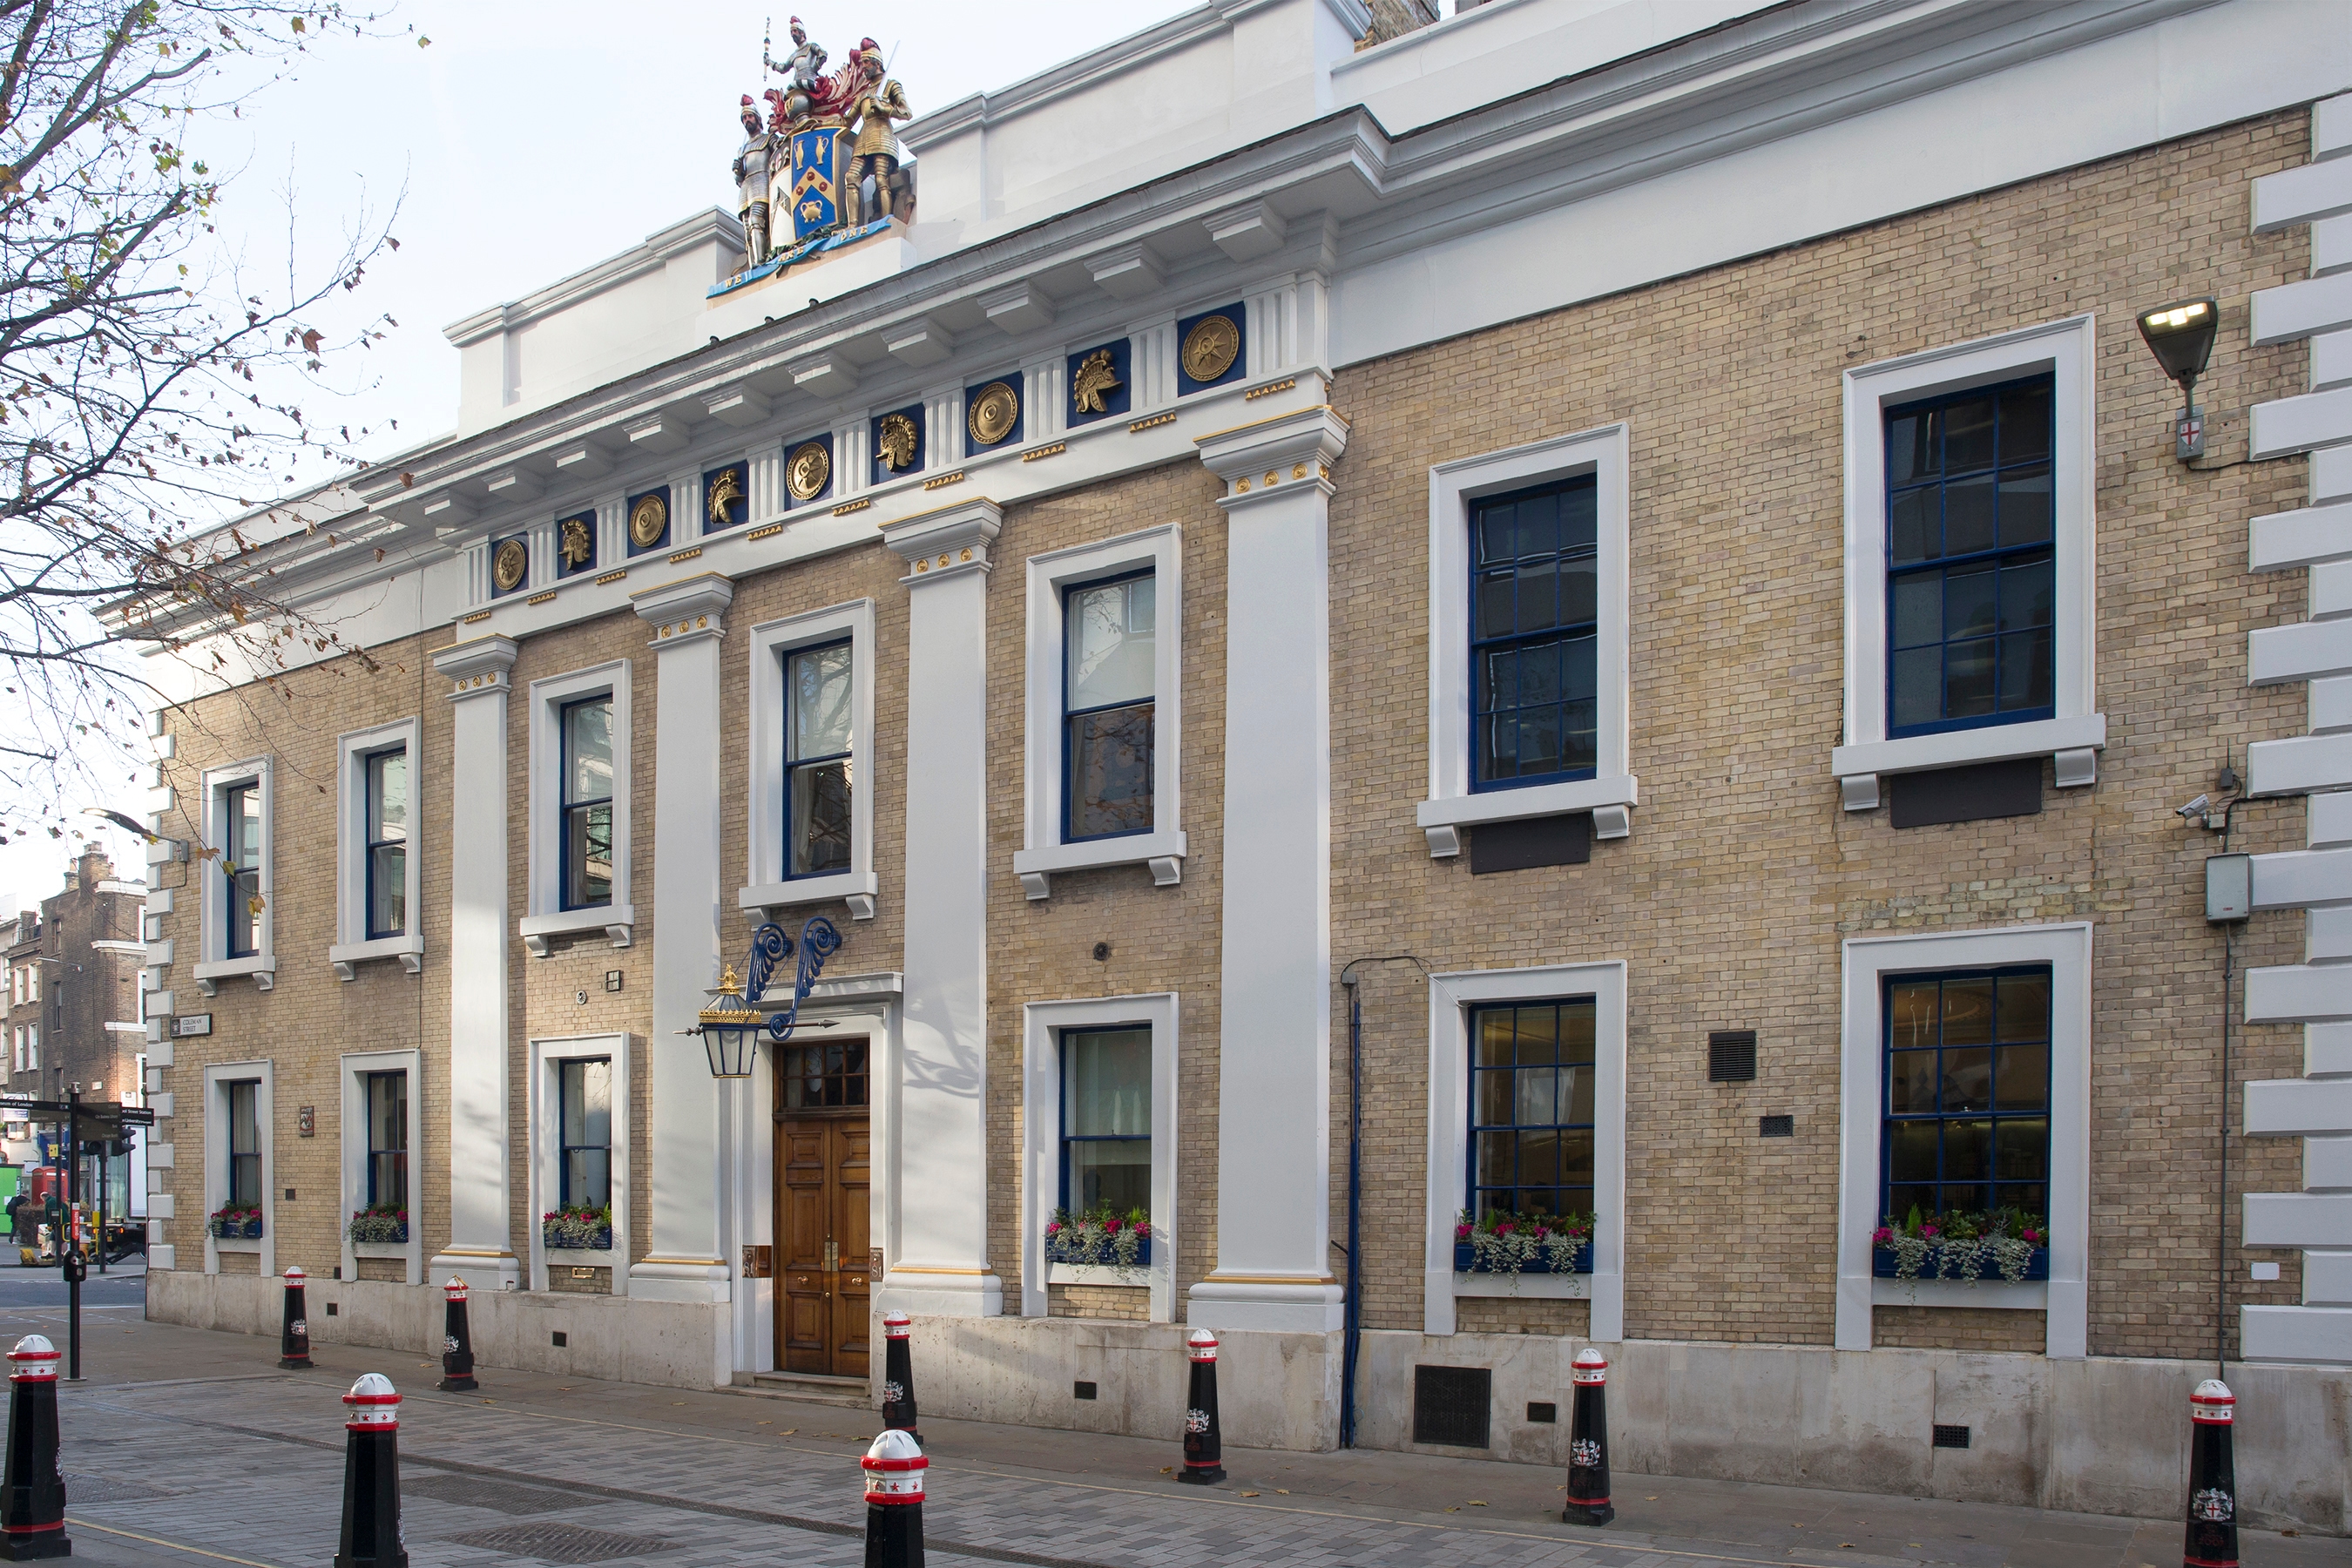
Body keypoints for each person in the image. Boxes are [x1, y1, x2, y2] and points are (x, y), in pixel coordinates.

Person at [844, 41, 910, 226]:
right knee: (851, 177)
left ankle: (886, 221)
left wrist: (885, 108)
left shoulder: (890, 86)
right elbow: (849, 119)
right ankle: (852, 225)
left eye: (866, 63)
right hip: (864, 138)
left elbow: (906, 112)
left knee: (882, 180)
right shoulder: (863, 94)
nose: (863, 68)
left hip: (882, 137)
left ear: (876, 63)